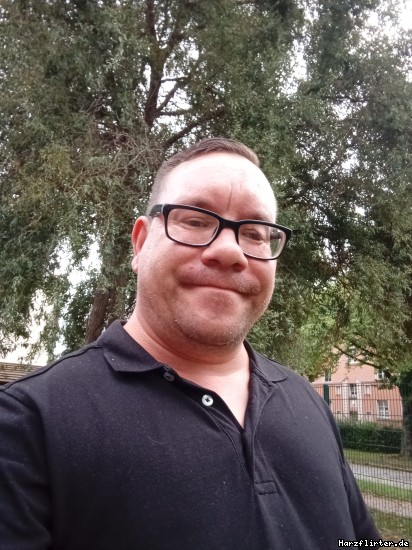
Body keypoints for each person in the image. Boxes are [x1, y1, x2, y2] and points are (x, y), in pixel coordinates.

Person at [0, 138, 379, 549]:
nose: (230, 252)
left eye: (255, 233)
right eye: (196, 221)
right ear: (140, 243)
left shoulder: (307, 402)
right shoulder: (26, 424)